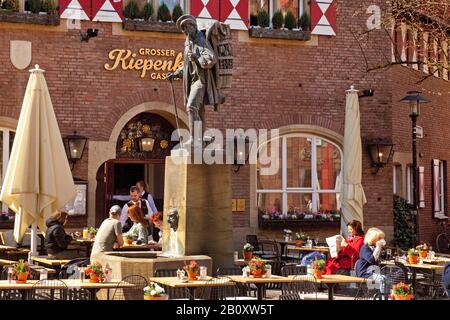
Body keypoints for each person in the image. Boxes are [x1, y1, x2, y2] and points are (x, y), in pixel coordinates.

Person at [166, 14, 224, 143]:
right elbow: (187, 65)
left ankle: (195, 139)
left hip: (201, 81)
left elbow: (211, 59)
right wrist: (175, 74)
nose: (185, 31)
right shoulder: (188, 44)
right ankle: (201, 138)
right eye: (183, 29)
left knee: (191, 107)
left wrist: (197, 58)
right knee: (200, 110)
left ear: (193, 26)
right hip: (192, 81)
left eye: (187, 28)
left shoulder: (201, 40)